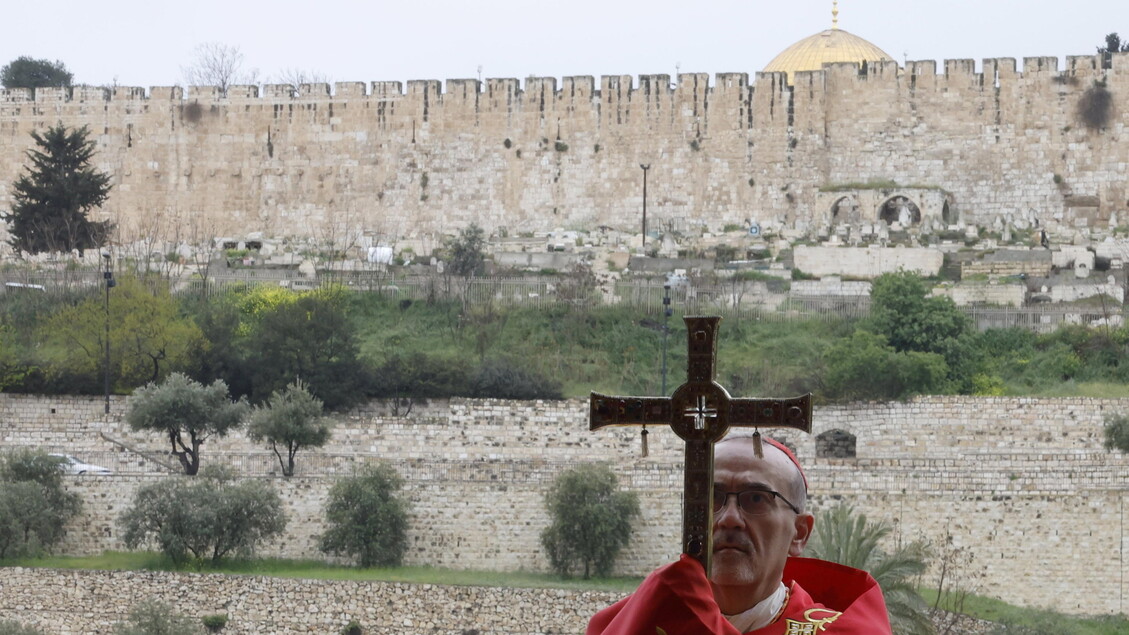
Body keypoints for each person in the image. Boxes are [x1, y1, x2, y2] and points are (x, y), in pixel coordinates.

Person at [587, 434, 893, 634]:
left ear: (799, 533)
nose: (729, 519)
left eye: (756, 499)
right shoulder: (633, 624)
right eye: (712, 498)